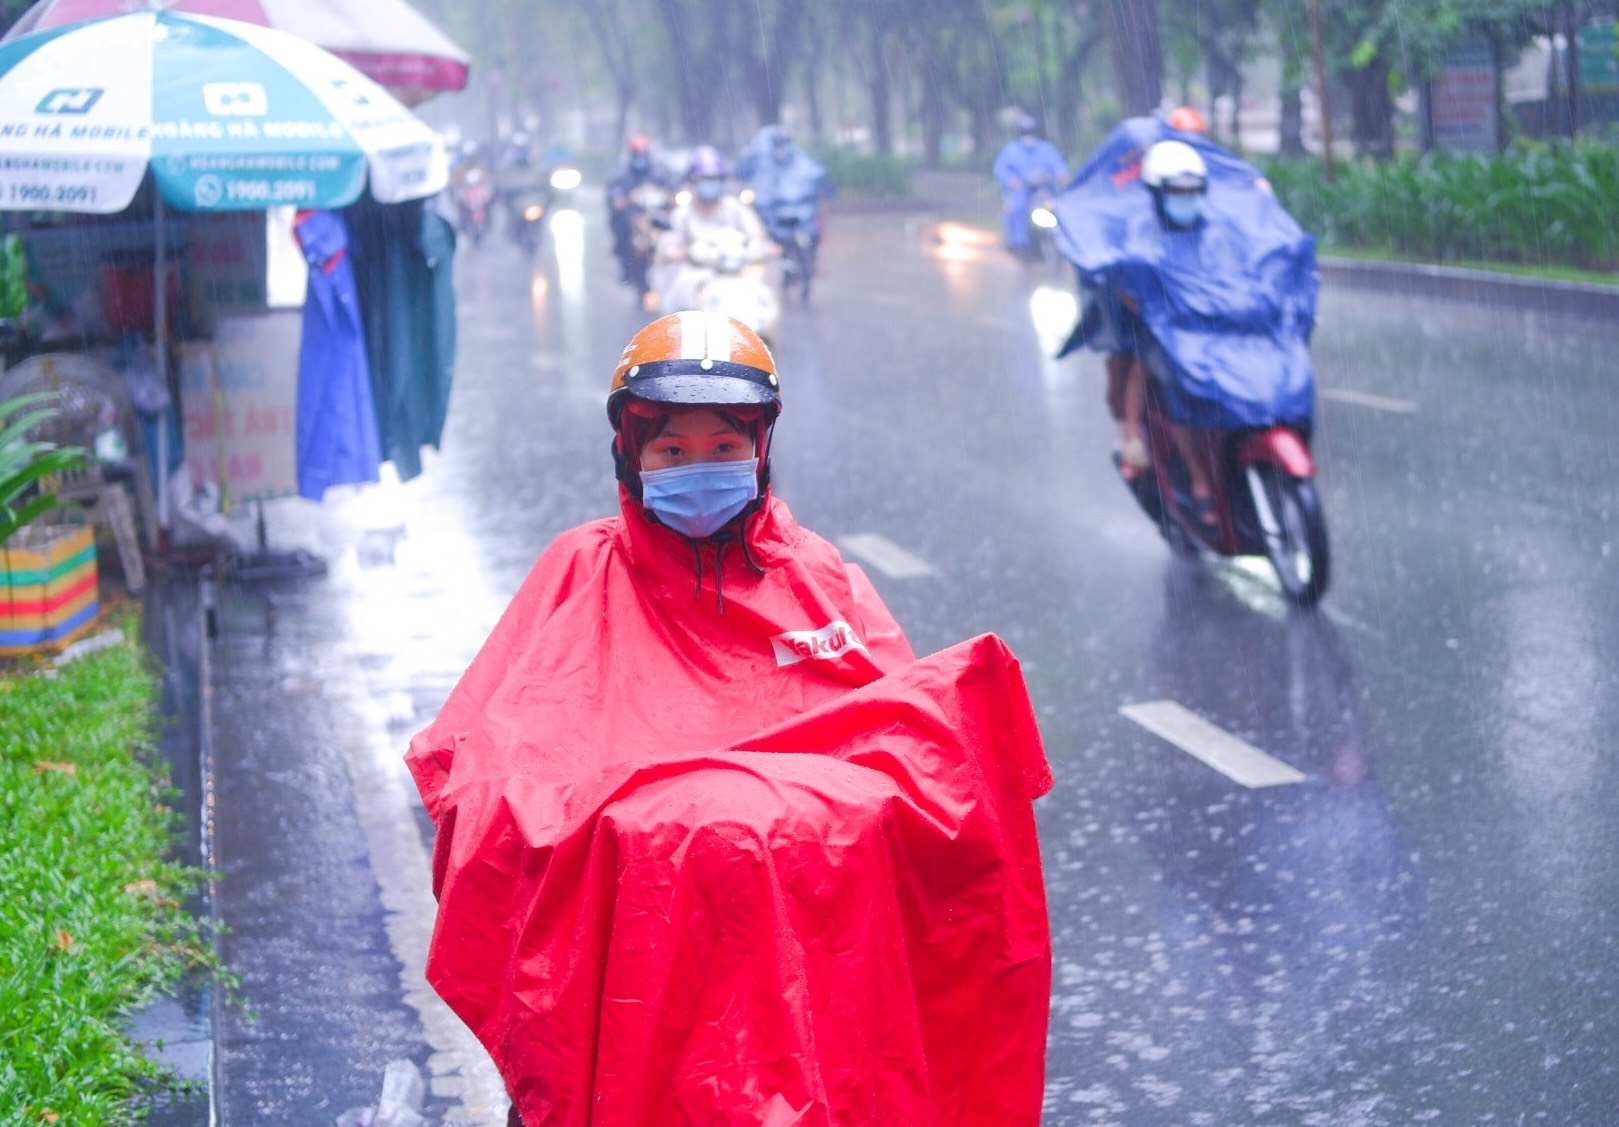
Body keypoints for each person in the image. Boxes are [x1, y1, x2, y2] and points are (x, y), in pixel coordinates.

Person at [407, 312, 1054, 1127]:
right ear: (630, 456)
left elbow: (899, 727)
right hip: (642, 936)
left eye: (723, 449)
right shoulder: (581, 569)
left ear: (760, 451)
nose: (699, 469)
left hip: (807, 930)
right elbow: (491, 758)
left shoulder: (812, 574)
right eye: (672, 452)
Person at [1111, 138, 1218, 520]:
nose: (1186, 199)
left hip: (1214, 329)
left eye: (1193, 192)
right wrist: (1149, 306)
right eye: (1178, 193)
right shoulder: (1141, 231)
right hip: (1166, 332)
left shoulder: (1216, 229)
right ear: (1158, 194)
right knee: (1151, 371)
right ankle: (1189, 472)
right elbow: (1125, 284)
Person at [652, 144, 772, 312]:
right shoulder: (682, 215)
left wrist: (764, 247)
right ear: (693, 181)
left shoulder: (735, 208)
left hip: (736, 273)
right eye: (704, 179)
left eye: (714, 179)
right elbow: (669, 244)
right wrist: (679, 252)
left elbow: (757, 235)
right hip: (695, 277)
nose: (709, 184)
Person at [991, 113, 1068, 259]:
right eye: (1025, 132)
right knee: (1016, 207)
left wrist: (1062, 175)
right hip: (1021, 190)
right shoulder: (1010, 151)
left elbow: (1059, 167)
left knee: (1060, 207)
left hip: (1044, 190)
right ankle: (1018, 243)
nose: (1028, 136)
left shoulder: (1047, 149)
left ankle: (1063, 241)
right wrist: (1011, 180)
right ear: (1020, 133)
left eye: (1031, 132)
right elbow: (1000, 169)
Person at [606, 134, 673, 283]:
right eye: (638, 155)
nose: (641, 158)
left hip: (657, 214)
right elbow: (614, 188)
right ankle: (626, 264)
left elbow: (672, 185)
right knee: (622, 226)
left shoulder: (659, 172)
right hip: (634, 214)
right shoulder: (624, 174)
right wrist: (618, 199)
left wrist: (673, 196)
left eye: (643, 154)